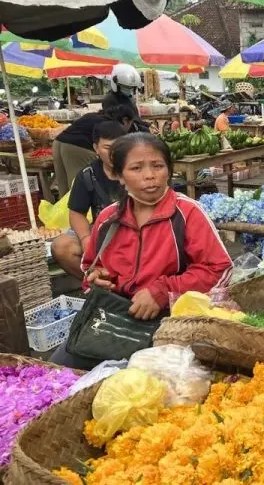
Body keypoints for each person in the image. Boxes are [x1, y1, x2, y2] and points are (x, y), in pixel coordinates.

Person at [49, 133, 233, 369]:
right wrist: (97, 279)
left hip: (174, 322)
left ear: (169, 170)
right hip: (117, 317)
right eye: (136, 168)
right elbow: (91, 266)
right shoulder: (108, 219)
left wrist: (162, 290)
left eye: (158, 166)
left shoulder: (187, 214)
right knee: (57, 371)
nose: (150, 176)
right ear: (118, 175)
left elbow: (220, 269)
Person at [51, 121, 126, 280]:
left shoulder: (137, 170)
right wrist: (86, 239)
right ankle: (97, 286)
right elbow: (76, 213)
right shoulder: (87, 175)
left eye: (119, 146)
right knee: (61, 247)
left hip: (136, 233)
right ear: (95, 148)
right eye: (107, 148)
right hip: (103, 233)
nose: (114, 153)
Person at [53, 104, 136, 195]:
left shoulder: (93, 116)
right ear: (125, 120)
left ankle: (62, 208)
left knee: (63, 186)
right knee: (78, 186)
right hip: (77, 148)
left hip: (58, 142)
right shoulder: (111, 125)